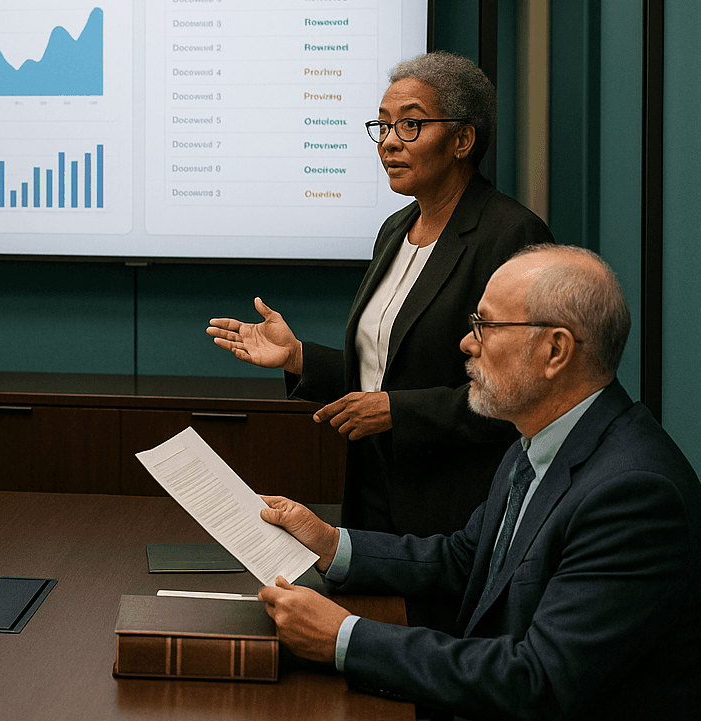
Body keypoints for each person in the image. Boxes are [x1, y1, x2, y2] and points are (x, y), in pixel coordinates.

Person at [256, 245, 701, 721]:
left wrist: (346, 637)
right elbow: (463, 557)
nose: (465, 343)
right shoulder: (542, 439)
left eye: (485, 325)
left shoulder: (634, 495)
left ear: (555, 350)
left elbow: (536, 680)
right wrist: (331, 544)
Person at [208, 52, 554, 541]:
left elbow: (523, 396)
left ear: (462, 139)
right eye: (383, 126)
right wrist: (300, 358)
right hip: (372, 492)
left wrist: (399, 412)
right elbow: (385, 370)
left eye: (410, 125)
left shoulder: (511, 235)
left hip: (453, 510)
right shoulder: (395, 229)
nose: (389, 142)